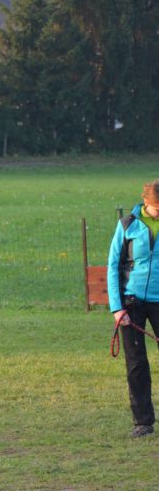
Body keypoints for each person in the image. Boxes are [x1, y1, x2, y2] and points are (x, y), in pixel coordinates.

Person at [107, 180, 159, 438]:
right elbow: (113, 265)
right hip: (132, 302)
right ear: (147, 203)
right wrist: (117, 308)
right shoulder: (127, 225)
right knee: (137, 363)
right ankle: (143, 421)